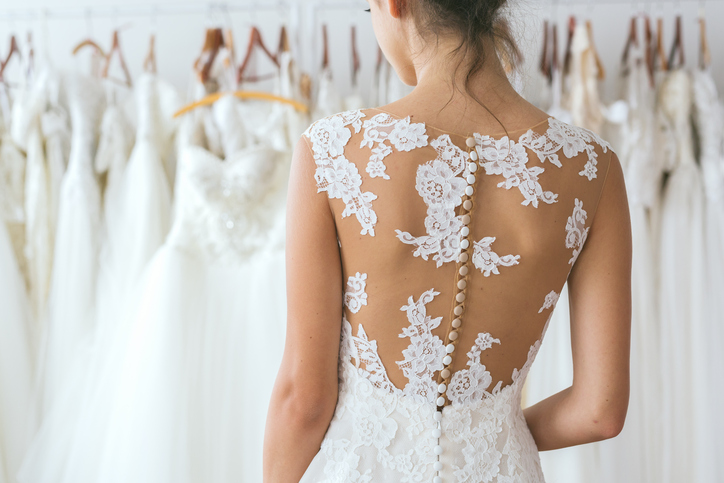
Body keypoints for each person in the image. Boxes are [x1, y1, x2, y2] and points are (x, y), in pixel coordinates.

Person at [264, 0, 632, 481]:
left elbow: (304, 401)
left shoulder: (333, 151)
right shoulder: (593, 168)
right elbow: (599, 411)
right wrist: (494, 432)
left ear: (394, 4)